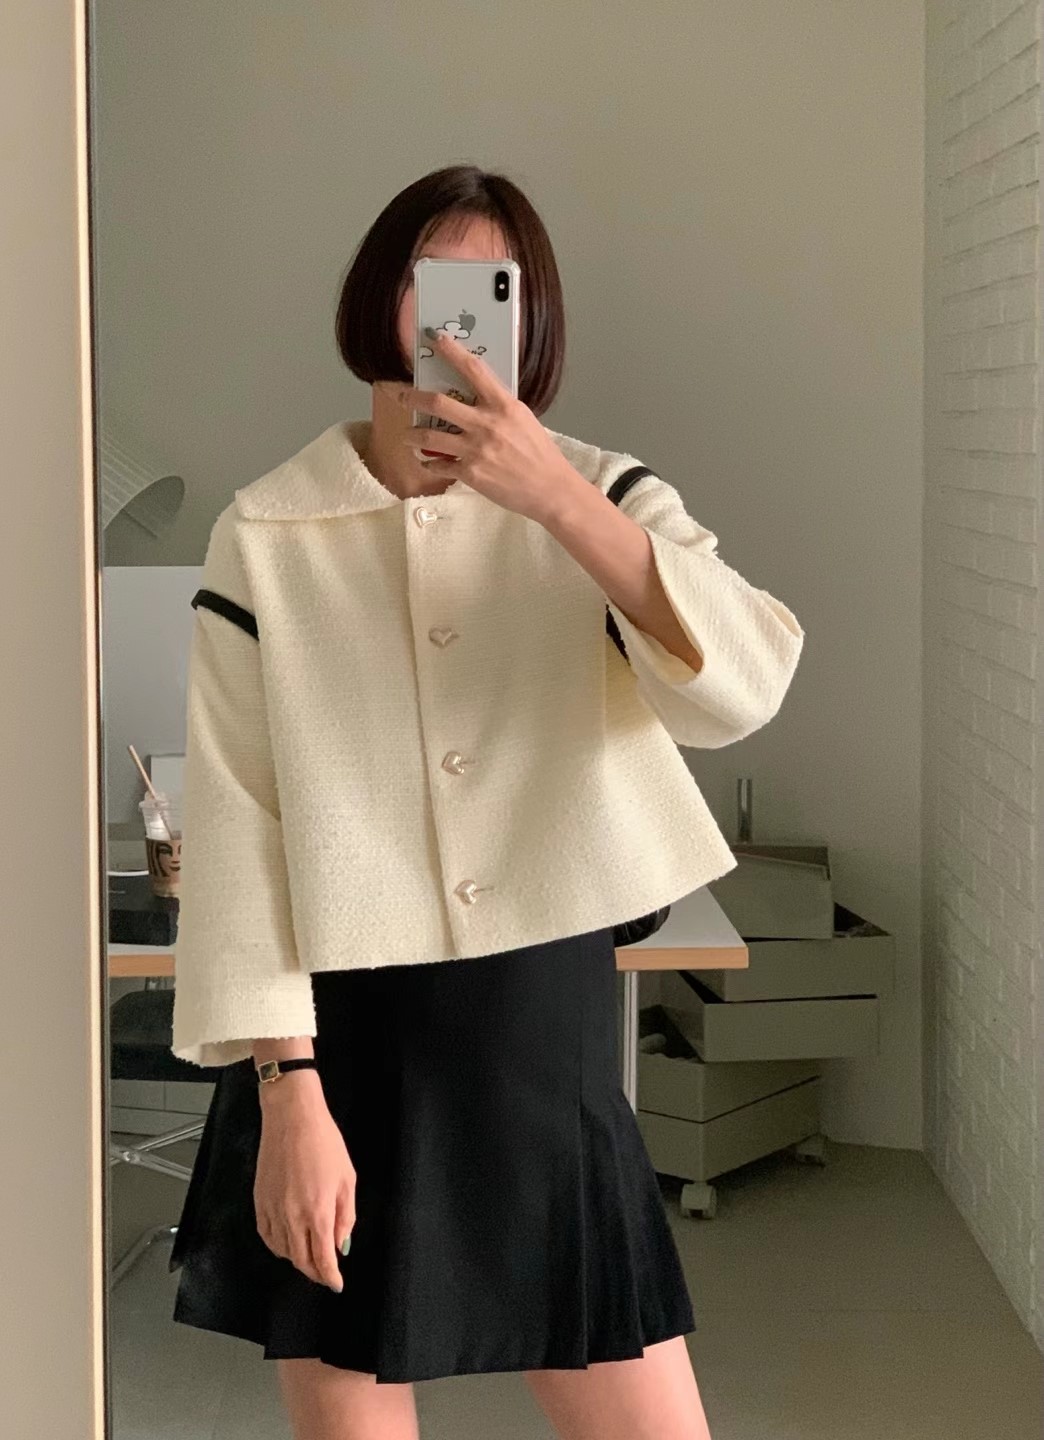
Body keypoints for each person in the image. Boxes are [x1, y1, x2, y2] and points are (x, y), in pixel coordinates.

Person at [167, 163, 804, 1440]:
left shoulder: (601, 495)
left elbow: (746, 682)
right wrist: (287, 1089)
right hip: (333, 1039)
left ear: (530, 317)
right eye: (431, 282)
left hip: (536, 1029)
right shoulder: (268, 532)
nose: (454, 320)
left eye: (487, 289)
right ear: (381, 298)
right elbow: (239, 820)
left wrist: (555, 497)